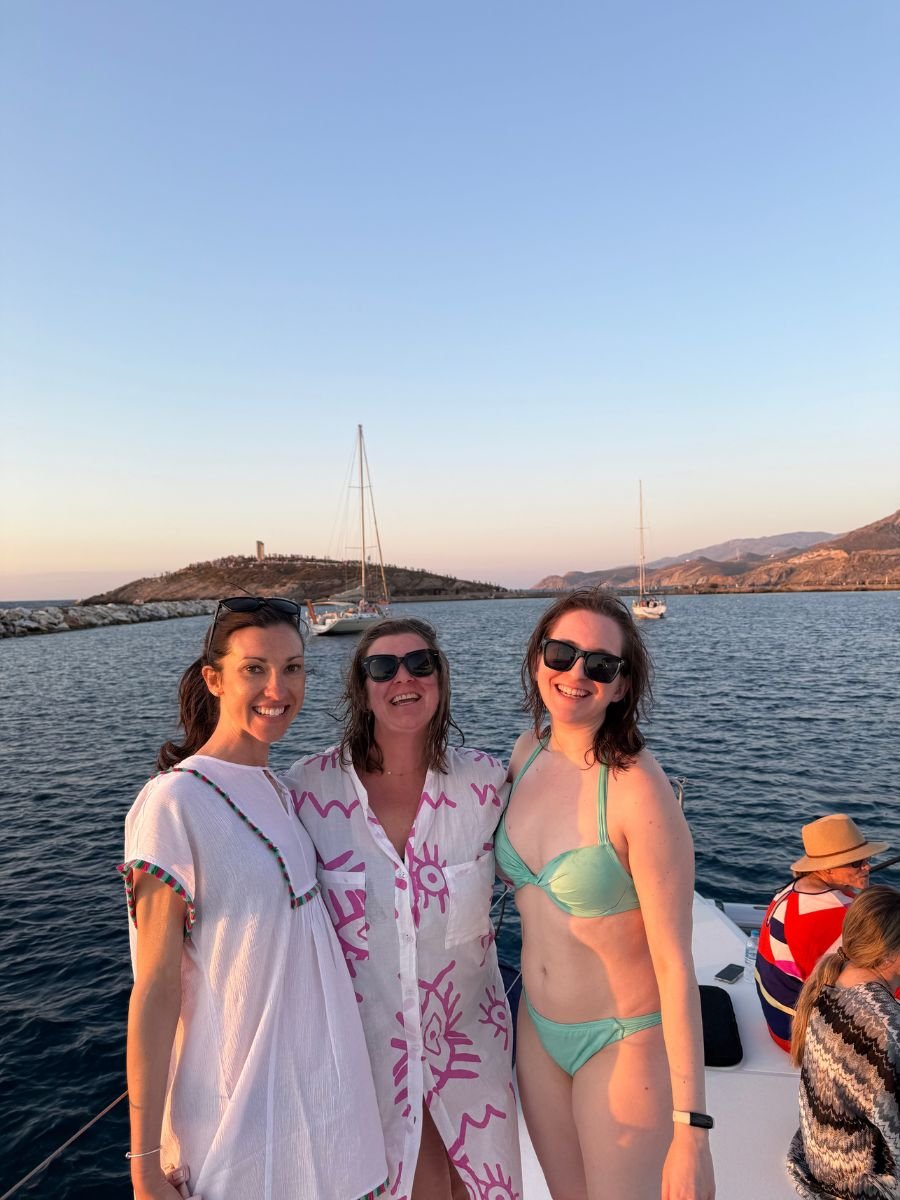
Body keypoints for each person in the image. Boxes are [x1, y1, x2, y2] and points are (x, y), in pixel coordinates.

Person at [120, 597, 387, 1200]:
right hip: (233, 1124)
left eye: (293, 668)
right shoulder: (172, 805)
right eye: (255, 668)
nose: (278, 687)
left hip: (318, 1112)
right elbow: (156, 989)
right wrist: (143, 1166)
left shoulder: (281, 790)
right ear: (214, 678)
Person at [286, 617, 522, 1200]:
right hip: (364, 1062)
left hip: (471, 1051)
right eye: (382, 667)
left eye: (420, 664)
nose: (403, 678)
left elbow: (554, 861)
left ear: (439, 679)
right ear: (361, 687)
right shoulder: (305, 792)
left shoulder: (488, 784)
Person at [496, 588, 714, 1200]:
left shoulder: (636, 789)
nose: (575, 674)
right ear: (539, 657)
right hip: (537, 1032)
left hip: (622, 1041)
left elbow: (675, 965)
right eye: (561, 653)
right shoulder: (525, 754)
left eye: (599, 665)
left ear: (621, 685)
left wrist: (692, 1131)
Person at [787, 885, 900, 1199]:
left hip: (823, 1158)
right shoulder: (885, 1025)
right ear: (890, 954)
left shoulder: (833, 981)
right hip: (858, 1183)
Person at [756, 813, 888, 1052]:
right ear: (826, 870)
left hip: (777, 1019)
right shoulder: (835, 915)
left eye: (866, 858)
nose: (867, 866)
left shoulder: (790, 891)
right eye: (856, 863)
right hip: (800, 1035)